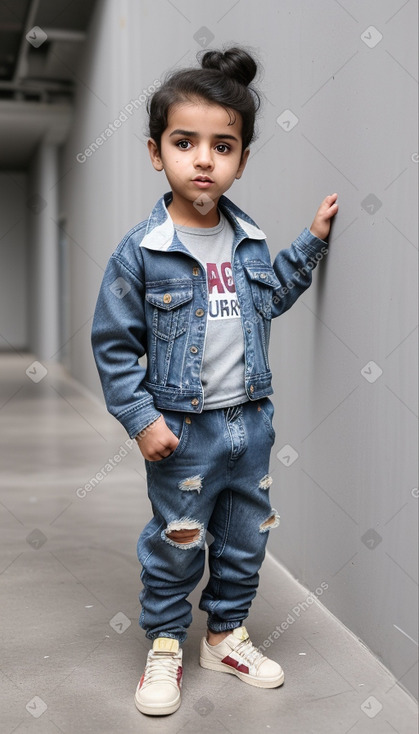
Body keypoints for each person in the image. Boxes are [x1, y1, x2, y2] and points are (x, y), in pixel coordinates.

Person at [91, 46, 338, 717]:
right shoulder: (141, 253)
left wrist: (311, 241)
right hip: (183, 430)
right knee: (177, 542)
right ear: (154, 153)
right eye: (184, 142)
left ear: (241, 160)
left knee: (245, 540)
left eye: (222, 146)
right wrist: (143, 421)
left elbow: (275, 293)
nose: (203, 159)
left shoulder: (248, 244)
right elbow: (114, 347)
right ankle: (167, 642)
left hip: (250, 423)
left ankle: (224, 635)